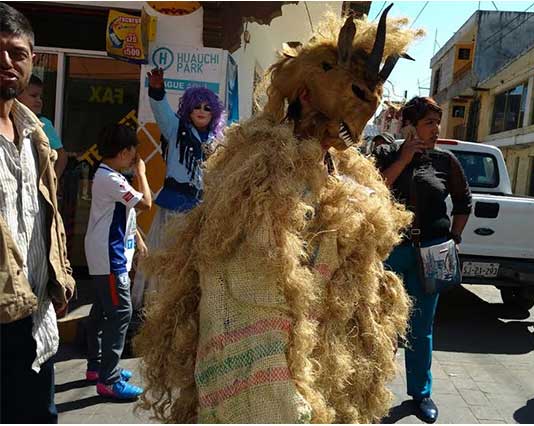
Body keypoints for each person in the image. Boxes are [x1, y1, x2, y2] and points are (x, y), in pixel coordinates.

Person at [133, 7, 422, 423]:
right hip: (270, 386)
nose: (351, 129)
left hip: (318, 369)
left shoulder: (339, 170)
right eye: (353, 101)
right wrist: (284, 398)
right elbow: (244, 286)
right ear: (304, 95)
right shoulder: (261, 171)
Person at [374, 96, 472, 423]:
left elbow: (463, 202)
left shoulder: (445, 162)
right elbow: (372, 193)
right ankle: (371, 391)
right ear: (409, 126)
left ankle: (420, 394)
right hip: (392, 251)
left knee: (421, 328)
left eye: (436, 123)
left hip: (432, 253)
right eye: (429, 123)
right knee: (379, 324)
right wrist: (402, 160)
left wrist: (454, 239)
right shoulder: (386, 154)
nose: (435, 129)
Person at [0, 3, 75, 422]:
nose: (7, 62)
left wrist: (60, 273)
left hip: (34, 319)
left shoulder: (36, 136)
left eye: (17, 52)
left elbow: (45, 216)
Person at [131, 72, 225, 310]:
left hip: (200, 211)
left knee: (191, 263)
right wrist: (157, 91)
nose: (201, 111)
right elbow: (161, 112)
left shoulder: (219, 141)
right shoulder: (176, 129)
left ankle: (183, 308)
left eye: (207, 107)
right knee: (164, 257)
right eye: (196, 106)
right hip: (173, 208)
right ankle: (153, 307)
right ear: (188, 109)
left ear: (214, 112)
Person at [84, 123, 151, 399]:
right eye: (134, 155)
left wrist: (138, 240)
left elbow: (123, 214)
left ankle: (97, 367)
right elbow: (145, 203)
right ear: (124, 153)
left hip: (106, 254)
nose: (135, 160)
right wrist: (143, 174)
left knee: (102, 310)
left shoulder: (106, 175)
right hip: (110, 258)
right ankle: (108, 380)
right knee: (121, 312)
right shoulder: (112, 179)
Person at [16, 75, 68, 179]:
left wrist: (52, 183)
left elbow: (61, 156)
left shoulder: (43, 123)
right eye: (33, 96)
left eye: (40, 97)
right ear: (17, 96)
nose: (39, 100)